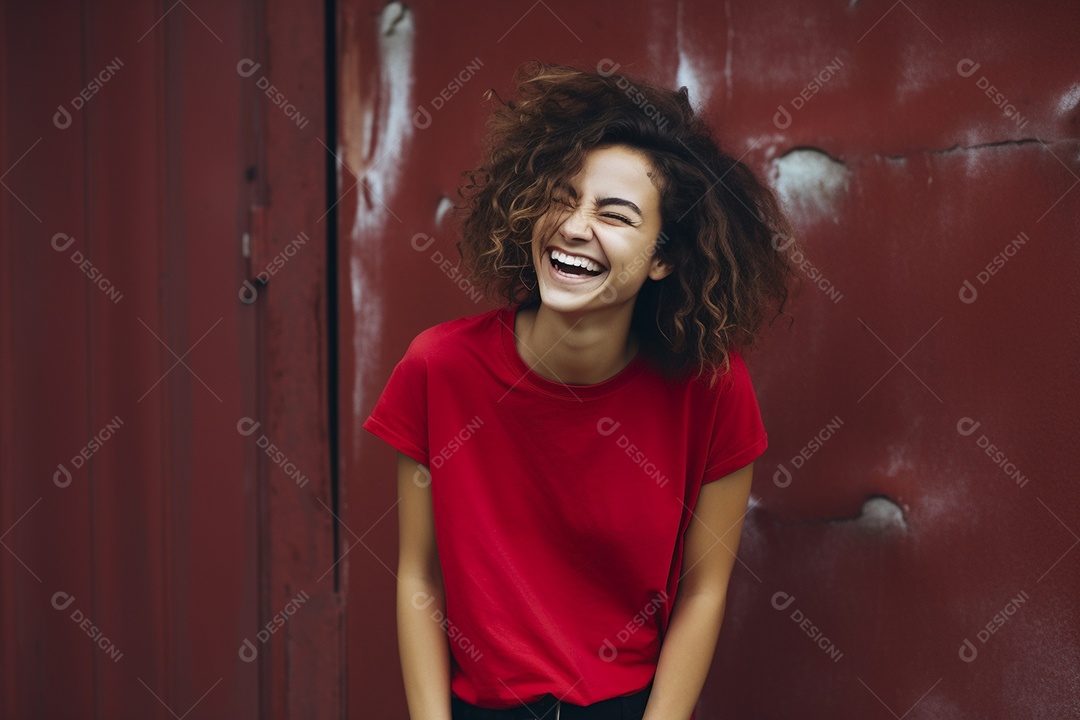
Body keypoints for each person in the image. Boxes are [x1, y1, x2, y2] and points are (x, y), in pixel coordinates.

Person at [363, 61, 796, 720]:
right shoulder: (438, 368)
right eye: (563, 199)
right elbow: (420, 576)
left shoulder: (711, 388)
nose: (573, 226)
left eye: (614, 215)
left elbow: (704, 591)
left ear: (663, 257)